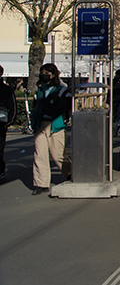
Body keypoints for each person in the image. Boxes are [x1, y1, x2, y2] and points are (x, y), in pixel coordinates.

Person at [30, 63, 72, 195]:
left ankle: (70, 172)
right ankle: (41, 183)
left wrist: (64, 121)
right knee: (40, 154)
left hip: (56, 125)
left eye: (47, 73)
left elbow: (68, 107)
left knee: (58, 154)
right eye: (42, 72)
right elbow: (35, 106)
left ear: (53, 75)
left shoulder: (61, 90)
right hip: (41, 124)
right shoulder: (40, 90)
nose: (44, 75)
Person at [0, 65, 17, 182]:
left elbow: (12, 106)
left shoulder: (6, 89)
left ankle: (0, 170)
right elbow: (13, 106)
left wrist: (8, 121)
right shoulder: (7, 89)